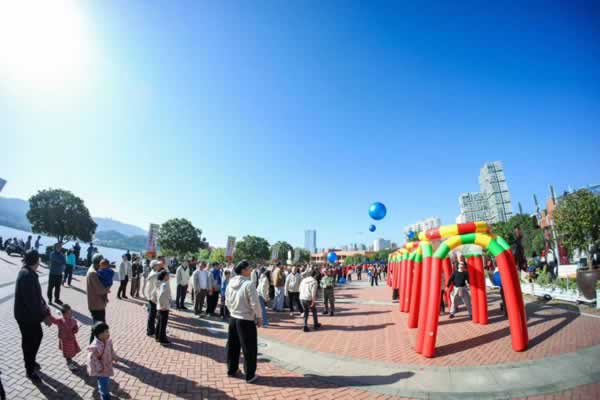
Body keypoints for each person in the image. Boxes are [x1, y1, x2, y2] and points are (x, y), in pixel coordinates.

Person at [14, 250, 51, 381]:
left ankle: (30, 361)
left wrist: (45, 307)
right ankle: (29, 369)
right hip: (26, 317)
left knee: (35, 337)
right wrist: (44, 317)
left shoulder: (28, 273)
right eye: (38, 260)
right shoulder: (27, 276)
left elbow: (37, 296)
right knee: (30, 341)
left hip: (29, 315)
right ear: (36, 261)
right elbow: (32, 303)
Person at [225, 260, 262, 383]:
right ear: (243, 270)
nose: (251, 270)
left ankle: (232, 369)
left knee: (233, 346)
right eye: (249, 268)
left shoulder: (231, 282)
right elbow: (255, 303)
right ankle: (250, 375)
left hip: (233, 318)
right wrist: (259, 317)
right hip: (245, 320)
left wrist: (232, 311)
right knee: (249, 348)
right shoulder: (248, 284)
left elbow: (227, 300)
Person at [87, 322, 117, 400]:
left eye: (108, 331)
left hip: (107, 366)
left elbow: (111, 349)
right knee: (104, 386)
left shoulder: (108, 340)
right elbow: (92, 359)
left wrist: (114, 356)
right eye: (106, 332)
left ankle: (104, 391)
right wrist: (100, 368)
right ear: (99, 334)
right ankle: (105, 396)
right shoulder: (95, 347)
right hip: (101, 370)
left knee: (106, 380)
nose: (108, 333)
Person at [48, 304, 81, 370]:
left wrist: (75, 329)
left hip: (71, 339)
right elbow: (53, 320)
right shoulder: (60, 321)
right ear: (64, 314)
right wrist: (48, 313)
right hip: (64, 340)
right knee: (67, 353)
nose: (71, 314)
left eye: (71, 312)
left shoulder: (73, 321)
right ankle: (69, 364)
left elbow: (75, 328)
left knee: (71, 351)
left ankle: (70, 361)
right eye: (69, 313)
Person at [86, 255, 111, 344]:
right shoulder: (93, 273)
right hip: (96, 305)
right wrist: (107, 289)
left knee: (98, 327)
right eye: (101, 264)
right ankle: (93, 347)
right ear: (97, 263)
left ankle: (95, 347)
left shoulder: (93, 270)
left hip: (97, 304)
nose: (102, 267)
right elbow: (100, 290)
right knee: (98, 328)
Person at [144, 259, 164, 336]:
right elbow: (156, 287)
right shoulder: (155, 275)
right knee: (152, 315)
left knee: (152, 315)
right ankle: (150, 331)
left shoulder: (154, 273)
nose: (159, 265)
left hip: (152, 296)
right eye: (157, 265)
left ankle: (151, 330)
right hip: (153, 297)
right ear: (154, 266)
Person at [153, 270, 172, 345]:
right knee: (163, 324)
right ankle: (162, 339)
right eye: (167, 275)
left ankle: (157, 337)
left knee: (159, 322)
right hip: (164, 306)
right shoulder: (164, 284)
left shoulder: (159, 283)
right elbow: (161, 295)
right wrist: (162, 305)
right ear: (164, 276)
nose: (169, 276)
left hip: (160, 306)